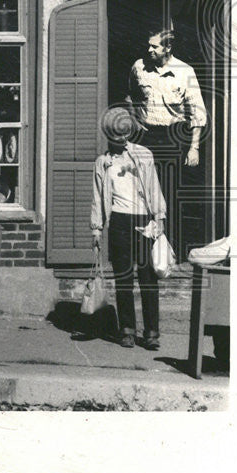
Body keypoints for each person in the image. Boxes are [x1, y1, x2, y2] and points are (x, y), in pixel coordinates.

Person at [126, 23, 206, 258]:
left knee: (169, 194)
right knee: (141, 192)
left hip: (173, 138)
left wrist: (194, 148)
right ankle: (144, 253)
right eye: (148, 45)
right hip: (145, 136)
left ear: (168, 47)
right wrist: (134, 119)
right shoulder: (139, 67)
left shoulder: (185, 71)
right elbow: (130, 95)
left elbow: (197, 113)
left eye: (154, 46)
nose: (149, 50)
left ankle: (171, 252)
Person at [90, 107, 167, 349]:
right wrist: (96, 228)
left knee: (148, 278)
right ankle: (127, 330)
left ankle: (152, 333)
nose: (120, 141)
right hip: (120, 222)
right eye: (115, 137)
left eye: (124, 135)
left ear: (129, 132)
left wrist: (159, 217)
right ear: (108, 136)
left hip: (144, 221)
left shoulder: (143, 155)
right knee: (123, 278)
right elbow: (97, 197)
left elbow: (153, 187)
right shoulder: (103, 163)